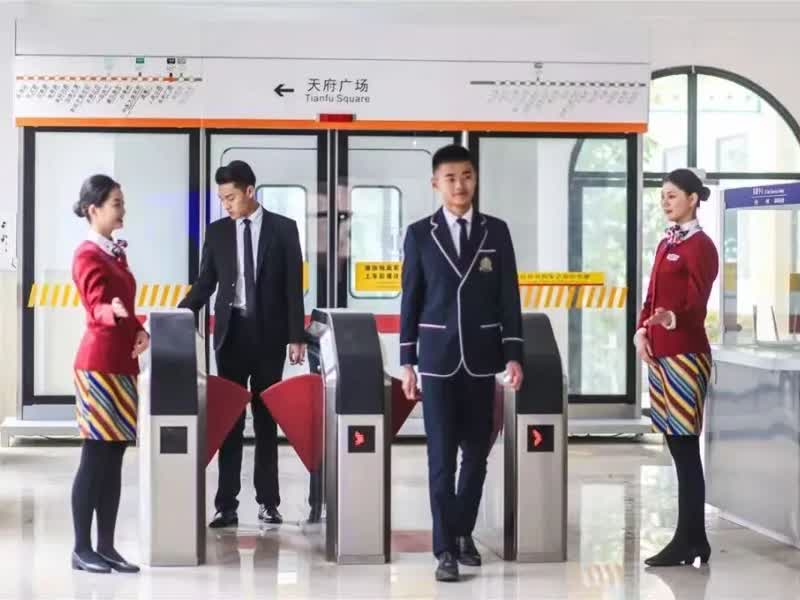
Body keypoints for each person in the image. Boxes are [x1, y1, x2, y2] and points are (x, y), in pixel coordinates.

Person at [399, 144, 524, 582]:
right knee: (440, 458)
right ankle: (445, 551)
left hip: (482, 359)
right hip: (436, 362)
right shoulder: (420, 234)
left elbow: (509, 297)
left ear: (475, 179)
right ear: (436, 183)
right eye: (451, 178)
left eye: (467, 176)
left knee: (476, 456)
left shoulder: (496, 232)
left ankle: (461, 530)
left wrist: (513, 354)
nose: (460, 185)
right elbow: (411, 299)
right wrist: (407, 362)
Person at [179, 160, 305, 528]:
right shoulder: (218, 232)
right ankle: (226, 505)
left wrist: (296, 335)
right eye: (222, 199)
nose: (226, 205)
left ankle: (268, 502)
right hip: (230, 337)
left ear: (250, 191)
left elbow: (292, 287)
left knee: (266, 421)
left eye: (231, 198)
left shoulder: (283, 229)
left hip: (269, 338)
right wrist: (180, 315)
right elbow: (205, 283)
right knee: (230, 421)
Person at [634, 168, 719, 567]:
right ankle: (694, 539)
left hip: (686, 355)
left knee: (685, 446)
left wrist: (672, 318)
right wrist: (641, 331)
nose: (664, 202)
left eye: (671, 195)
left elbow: (697, 304)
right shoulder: (666, 242)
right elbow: (651, 296)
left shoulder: (701, 246)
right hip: (659, 354)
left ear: (692, 199)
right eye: (662, 196)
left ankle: (689, 539)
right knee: (674, 444)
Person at [71, 175, 149, 574]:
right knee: (95, 456)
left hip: (121, 364)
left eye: (122, 202)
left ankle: (106, 546)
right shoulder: (87, 254)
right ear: (94, 209)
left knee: (115, 456)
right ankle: (81, 548)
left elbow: (123, 306)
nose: (123, 210)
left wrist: (138, 328)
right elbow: (96, 304)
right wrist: (112, 313)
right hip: (98, 366)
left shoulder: (115, 252)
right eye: (116, 203)